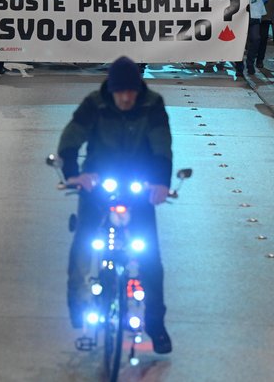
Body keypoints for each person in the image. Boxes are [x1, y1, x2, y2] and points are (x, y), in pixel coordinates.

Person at [57, 55, 174, 354]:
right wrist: (75, 175)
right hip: (98, 184)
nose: (125, 98)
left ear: (138, 90)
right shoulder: (94, 104)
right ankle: (79, 307)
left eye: (130, 92)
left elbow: (162, 145)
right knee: (83, 245)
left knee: (150, 257)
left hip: (140, 185)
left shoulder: (153, 105)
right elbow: (71, 138)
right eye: (120, 92)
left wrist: (160, 183)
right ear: (111, 89)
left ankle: (155, 324)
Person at [229, 0, 265, 75]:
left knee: (256, 38)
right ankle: (239, 66)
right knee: (238, 41)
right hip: (238, 14)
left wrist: (256, 3)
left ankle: (250, 63)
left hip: (253, 13)